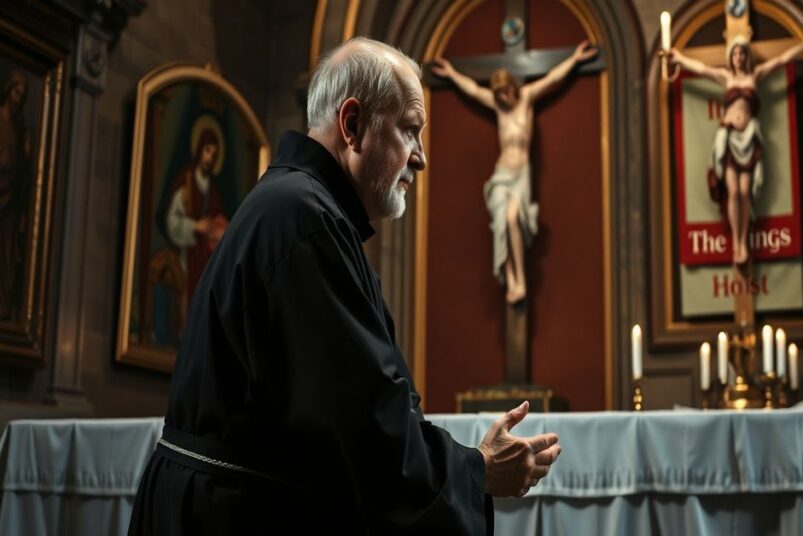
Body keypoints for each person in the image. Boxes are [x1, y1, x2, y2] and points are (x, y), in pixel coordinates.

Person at [129, 38, 561, 535]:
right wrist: (476, 471)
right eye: (410, 130)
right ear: (353, 125)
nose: (420, 158)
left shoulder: (305, 209)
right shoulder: (303, 219)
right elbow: (362, 421)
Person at [432, 41, 597, 304]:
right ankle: (511, 280)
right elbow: (473, 90)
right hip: (501, 174)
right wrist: (452, 74)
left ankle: (521, 278)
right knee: (501, 224)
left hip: (520, 175)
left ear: (512, 87)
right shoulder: (498, 107)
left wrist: (575, 59)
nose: (503, 99)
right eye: (499, 95)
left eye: (506, 93)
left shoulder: (527, 97)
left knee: (512, 218)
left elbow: (553, 78)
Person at [670, 31, 803, 265]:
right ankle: (737, 245)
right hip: (730, 137)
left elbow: (781, 60)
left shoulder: (755, 75)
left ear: (747, 56)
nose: (739, 57)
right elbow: (701, 69)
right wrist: (679, 58)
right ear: (730, 57)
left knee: (744, 191)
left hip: (748, 138)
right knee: (733, 192)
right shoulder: (726, 77)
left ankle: (744, 241)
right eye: (735, 53)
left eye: (742, 53)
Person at [160, 123, 228, 300]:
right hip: (187, 256)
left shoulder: (214, 190)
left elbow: (220, 222)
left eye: (214, 154)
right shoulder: (187, 182)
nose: (210, 158)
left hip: (207, 260)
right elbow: (172, 221)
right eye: (207, 151)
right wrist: (195, 226)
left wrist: (218, 231)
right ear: (199, 150)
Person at [0, 70, 30, 320]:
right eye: (16, 92)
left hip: (11, 201)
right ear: (8, 91)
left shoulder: (21, 131)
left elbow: (23, 173)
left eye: (22, 96)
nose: (18, 99)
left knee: (8, 256)